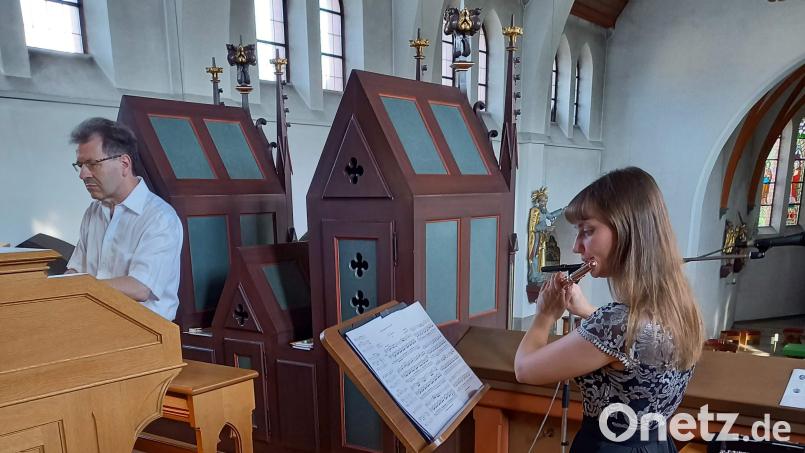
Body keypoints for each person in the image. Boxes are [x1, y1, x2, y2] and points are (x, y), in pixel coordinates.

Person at [514, 167, 704, 452]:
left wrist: (544, 315)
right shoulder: (680, 307)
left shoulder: (616, 323)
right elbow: (636, 348)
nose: (577, 246)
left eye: (587, 231)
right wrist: (587, 311)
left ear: (628, 231)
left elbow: (524, 370)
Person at [65, 117, 183, 321]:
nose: (83, 174)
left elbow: (140, 288)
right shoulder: (93, 212)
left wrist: (81, 288)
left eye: (92, 164)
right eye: (80, 165)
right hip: (94, 325)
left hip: (145, 334)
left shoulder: (160, 218)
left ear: (124, 164)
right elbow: (75, 270)